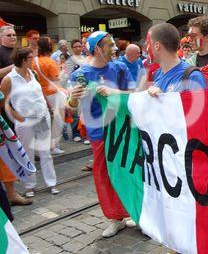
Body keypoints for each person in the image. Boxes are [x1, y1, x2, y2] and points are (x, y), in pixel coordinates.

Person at [68, 31, 136, 238]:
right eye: (109, 45)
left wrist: (115, 92)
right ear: (96, 48)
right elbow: (71, 110)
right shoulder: (80, 74)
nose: (114, 48)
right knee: (104, 174)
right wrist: (72, 99)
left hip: (124, 127)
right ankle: (115, 218)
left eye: (114, 44)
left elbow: (134, 94)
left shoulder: (120, 67)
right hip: (98, 131)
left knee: (129, 170)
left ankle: (135, 211)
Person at [1, 47, 59, 197]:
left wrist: (48, 106)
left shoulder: (33, 74)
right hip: (25, 121)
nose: (33, 60)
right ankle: (29, 186)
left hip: (42, 116)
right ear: (22, 60)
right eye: (30, 58)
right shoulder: (9, 79)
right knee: (28, 153)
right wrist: (16, 116)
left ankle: (51, 183)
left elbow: (40, 92)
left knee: (46, 152)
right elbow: (4, 102)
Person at [0, 24, 32, 206]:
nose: (13, 37)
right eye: (9, 35)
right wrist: (14, 67)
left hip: (19, 107)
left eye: (14, 35)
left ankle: (12, 192)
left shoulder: (17, 51)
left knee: (12, 148)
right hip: (4, 107)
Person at [145, 23, 206, 95]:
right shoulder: (157, 74)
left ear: (157, 45)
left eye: (148, 43)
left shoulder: (192, 77)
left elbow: (201, 105)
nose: (146, 49)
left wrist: (165, 98)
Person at [32, 37, 66, 155]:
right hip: (53, 93)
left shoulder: (34, 60)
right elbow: (57, 78)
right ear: (49, 47)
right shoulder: (50, 62)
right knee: (58, 121)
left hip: (41, 93)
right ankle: (53, 146)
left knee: (45, 121)